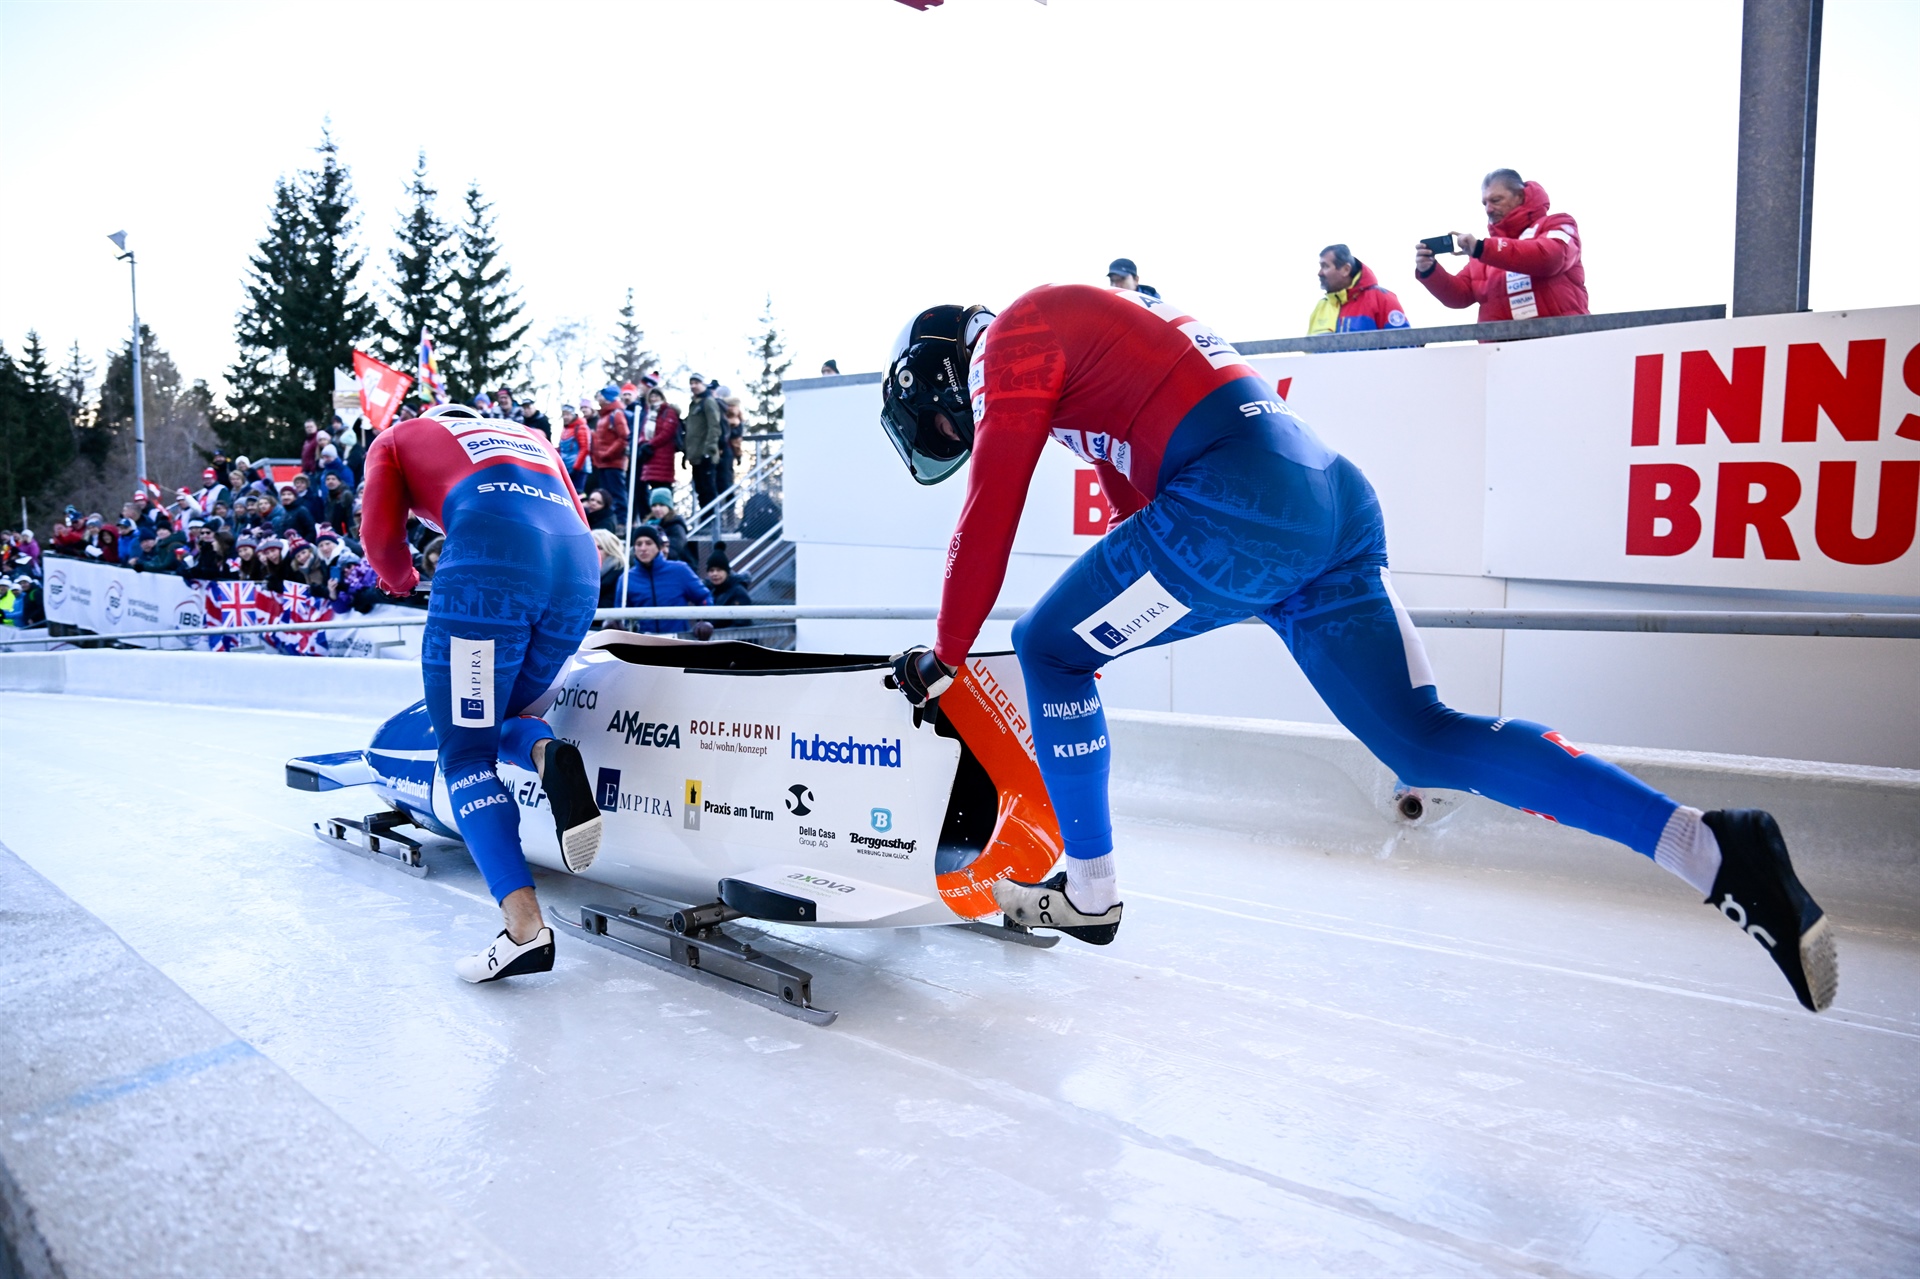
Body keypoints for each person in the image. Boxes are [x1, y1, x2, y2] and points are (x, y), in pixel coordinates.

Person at [875, 286, 1837, 1015]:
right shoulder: (1095, 344)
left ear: (946, 366)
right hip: (1324, 500)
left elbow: (989, 506)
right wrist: (1231, 585)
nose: (959, 429)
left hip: (1242, 504)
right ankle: (1709, 845)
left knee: (1048, 648)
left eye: (948, 415)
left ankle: (1090, 892)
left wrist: (946, 650)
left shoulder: (1018, 333)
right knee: (1422, 741)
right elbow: (1142, 517)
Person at [360, 402, 604, 984]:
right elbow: (571, 508)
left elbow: (380, 537)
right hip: (577, 567)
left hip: (491, 568)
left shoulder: (397, 437)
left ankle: (524, 932)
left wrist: (399, 581)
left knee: (466, 752)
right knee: (507, 714)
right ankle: (547, 753)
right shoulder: (531, 435)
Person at [1415, 169, 1587, 322]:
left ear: (1520, 196)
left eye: (1495, 200)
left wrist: (1483, 249)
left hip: (1562, 346)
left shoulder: (1559, 224)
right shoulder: (1483, 252)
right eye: (1485, 203)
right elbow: (1458, 296)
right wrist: (1430, 271)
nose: (1488, 209)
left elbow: (1550, 257)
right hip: (1502, 353)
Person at [619, 525, 710, 631]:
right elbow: (620, 614)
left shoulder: (680, 570)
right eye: (638, 544)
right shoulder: (626, 579)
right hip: (643, 643)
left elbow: (704, 598)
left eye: (648, 543)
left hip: (678, 642)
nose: (643, 548)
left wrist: (703, 622)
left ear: (658, 547)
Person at [1308, 245, 1410, 335]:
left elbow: (1403, 346)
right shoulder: (1321, 306)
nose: (1319, 273)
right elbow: (1310, 352)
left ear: (1346, 270)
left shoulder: (1382, 299)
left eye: (1325, 266)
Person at [683, 373, 726, 513]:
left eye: (696, 382)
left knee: (709, 489)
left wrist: (709, 450)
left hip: (705, 454)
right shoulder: (693, 404)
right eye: (691, 383)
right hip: (695, 455)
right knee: (700, 489)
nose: (693, 386)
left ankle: (712, 521)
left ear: (703, 384)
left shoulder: (708, 401)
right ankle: (705, 519)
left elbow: (714, 426)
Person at [590, 386, 631, 523]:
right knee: (606, 495)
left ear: (607, 398)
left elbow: (624, 436)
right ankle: (610, 521)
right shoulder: (604, 416)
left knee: (617, 493)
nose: (598, 398)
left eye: (601, 396)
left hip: (614, 462)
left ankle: (621, 522)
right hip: (603, 463)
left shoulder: (616, 414)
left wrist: (607, 453)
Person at [639, 385, 680, 496]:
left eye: (656, 396)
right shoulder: (649, 414)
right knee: (653, 488)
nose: (653, 399)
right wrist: (643, 443)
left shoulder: (668, 412)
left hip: (663, 454)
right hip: (650, 456)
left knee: (663, 487)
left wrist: (651, 444)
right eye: (651, 396)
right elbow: (643, 431)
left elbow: (667, 432)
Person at [703, 546, 752, 624]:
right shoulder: (709, 590)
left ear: (727, 572)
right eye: (711, 570)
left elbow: (741, 624)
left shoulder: (738, 592)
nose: (714, 574)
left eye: (719, 570)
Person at [556, 403, 593, 493]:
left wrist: (576, 468)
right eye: (563, 414)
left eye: (568, 414)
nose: (565, 417)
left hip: (579, 470)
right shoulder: (565, 429)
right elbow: (561, 449)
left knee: (578, 494)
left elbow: (585, 449)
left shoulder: (581, 427)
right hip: (567, 468)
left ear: (573, 415)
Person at [646, 488, 689, 563]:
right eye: (654, 505)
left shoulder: (676, 526)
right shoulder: (648, 525)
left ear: (669, 507)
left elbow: (673, 551)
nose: (657, 509)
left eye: (661, 505)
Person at [591, 528, 627, 610]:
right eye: (592, 547)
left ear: (610, 550)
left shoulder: (620, 573)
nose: (595, 552)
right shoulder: (584, 575)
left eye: (600, 548)